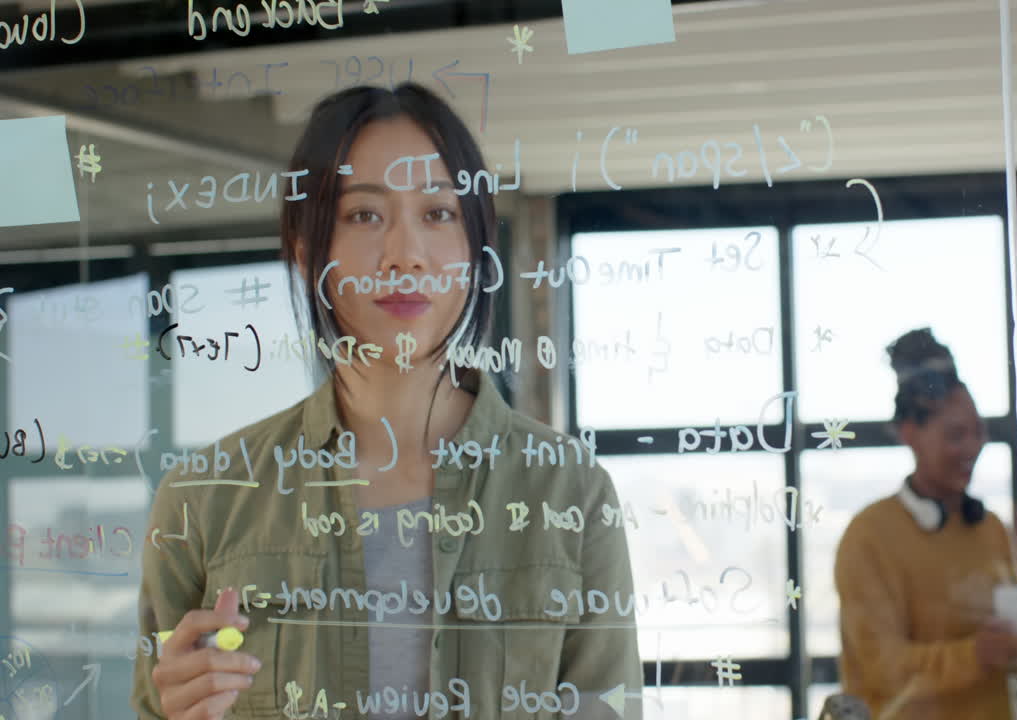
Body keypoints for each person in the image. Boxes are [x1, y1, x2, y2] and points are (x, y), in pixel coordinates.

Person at [130, 84, 643, 720]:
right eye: (364, 216)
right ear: (304, 250)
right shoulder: (203, 501)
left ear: (476, 250)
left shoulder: (571, 491)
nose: (405, 257)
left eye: (438, 214)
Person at [834, 327, 1017, 720]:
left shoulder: (990, 528)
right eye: (956, 435)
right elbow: (881, 666)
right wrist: (974, 655)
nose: (972, 447)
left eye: (978, 432)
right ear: (909, 434)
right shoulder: (869, 535)